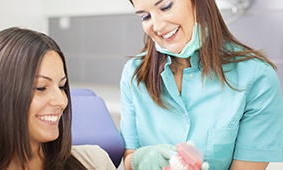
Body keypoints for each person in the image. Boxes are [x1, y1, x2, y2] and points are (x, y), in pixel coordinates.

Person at [119, 0, 283, 169]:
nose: (157, 26)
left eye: (166, 7)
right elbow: (128, 161)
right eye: (145, 17)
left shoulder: (257, 77)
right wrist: (139, 159)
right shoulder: (134, 74)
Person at [0, 27, 116, 170]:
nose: (62, 101)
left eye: (62, 86)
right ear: (0, 93)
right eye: (41, 87)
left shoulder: (94, 162)